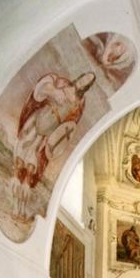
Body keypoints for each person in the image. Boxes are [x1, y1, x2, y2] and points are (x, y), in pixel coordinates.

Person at [12, 71, 96, 219]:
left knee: (31, 167)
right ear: (80, 76)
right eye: (84, 77)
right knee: (21, 155)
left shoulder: (80, 103)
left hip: (48, 132)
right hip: (38, 119)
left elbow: (69, 126)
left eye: (87, 81)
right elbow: (42, 88)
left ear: (87, 86)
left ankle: (22, 208)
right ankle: (13, 204)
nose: (83, 80)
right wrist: (54, 91)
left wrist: (54, 140)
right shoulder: (62, 83)